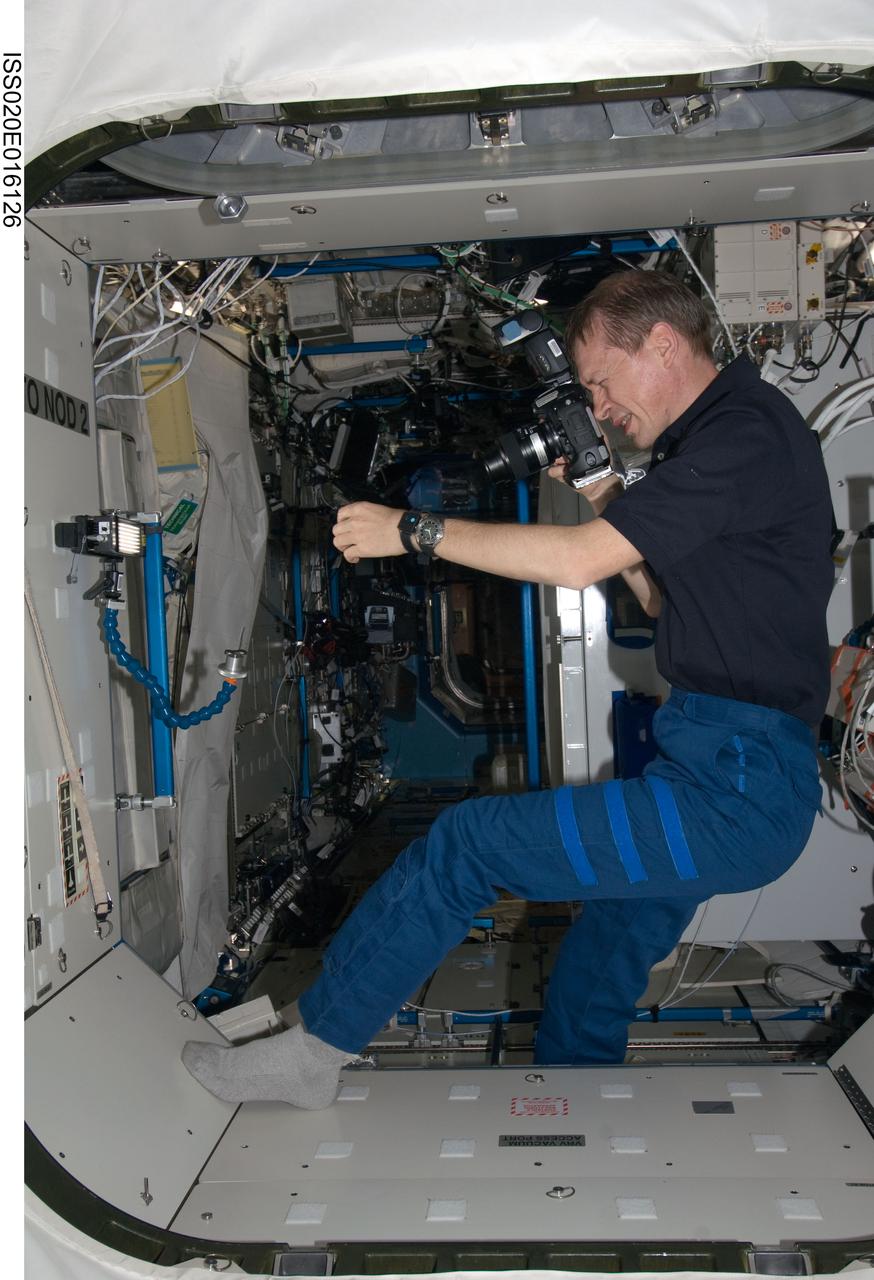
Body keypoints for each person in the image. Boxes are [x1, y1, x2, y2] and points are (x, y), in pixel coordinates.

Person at [182, 270, 833, 1108]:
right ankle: (576, 1102)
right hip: (723, 768)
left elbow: (576, 563)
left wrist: (412, 530)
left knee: (469, 844)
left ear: (663, 344)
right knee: (606, 947)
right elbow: (669, 602)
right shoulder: (723, 445)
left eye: (600, 381)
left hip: (735, 787)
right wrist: (600, 491)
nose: (598, 407)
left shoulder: (742, 436)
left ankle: (313, 1053)